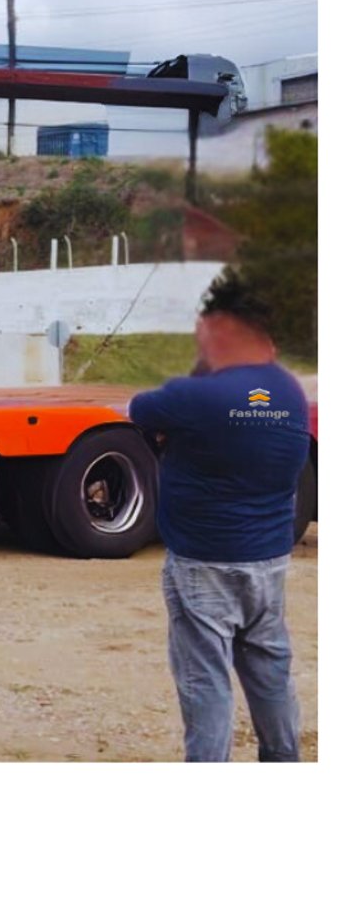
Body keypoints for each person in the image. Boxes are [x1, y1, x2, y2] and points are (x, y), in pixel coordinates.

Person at [128, 269, 309, 762]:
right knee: (270, 672)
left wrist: (200, 372)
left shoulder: (196, 396)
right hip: (269, 561)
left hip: (203, 563)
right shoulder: (287, 391)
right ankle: (283, 759)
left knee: (205, 681)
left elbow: (139, 408)